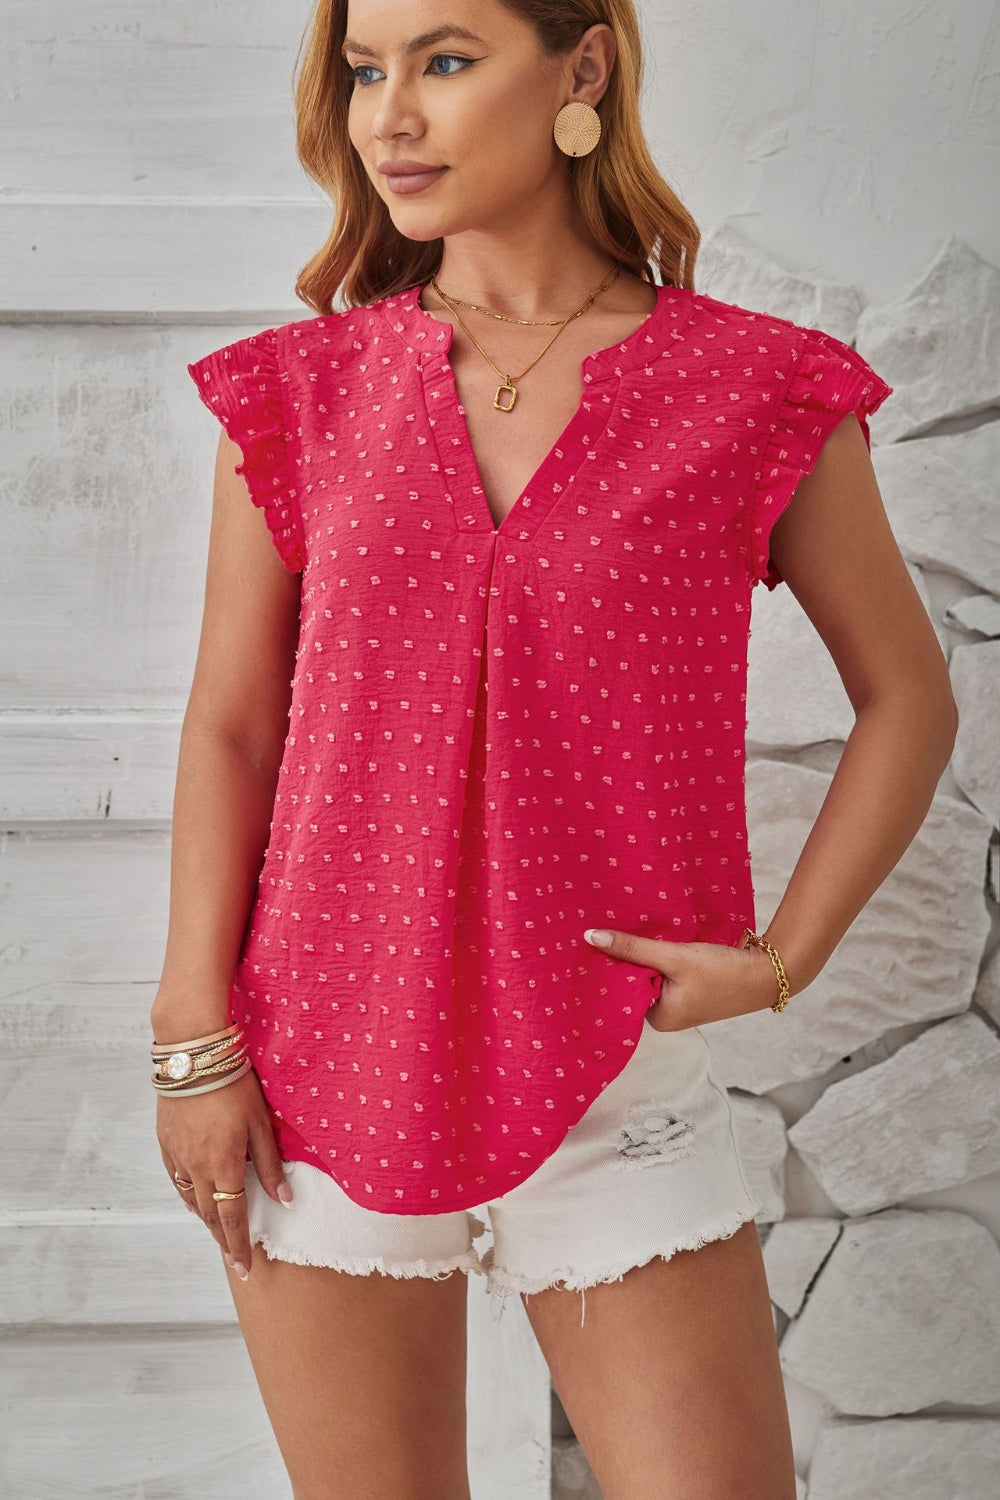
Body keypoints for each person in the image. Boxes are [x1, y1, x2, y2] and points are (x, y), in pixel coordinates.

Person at [152, 3, 958, 1497]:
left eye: (445, 60)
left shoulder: (759, 388)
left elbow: (908, 696)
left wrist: (782, 959)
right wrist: (193, 1042)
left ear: (582, 69)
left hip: (616, 1074)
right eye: (365, 71)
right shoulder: (299, 392)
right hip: (321, 1068)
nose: (389, 115)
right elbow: (232, 726)